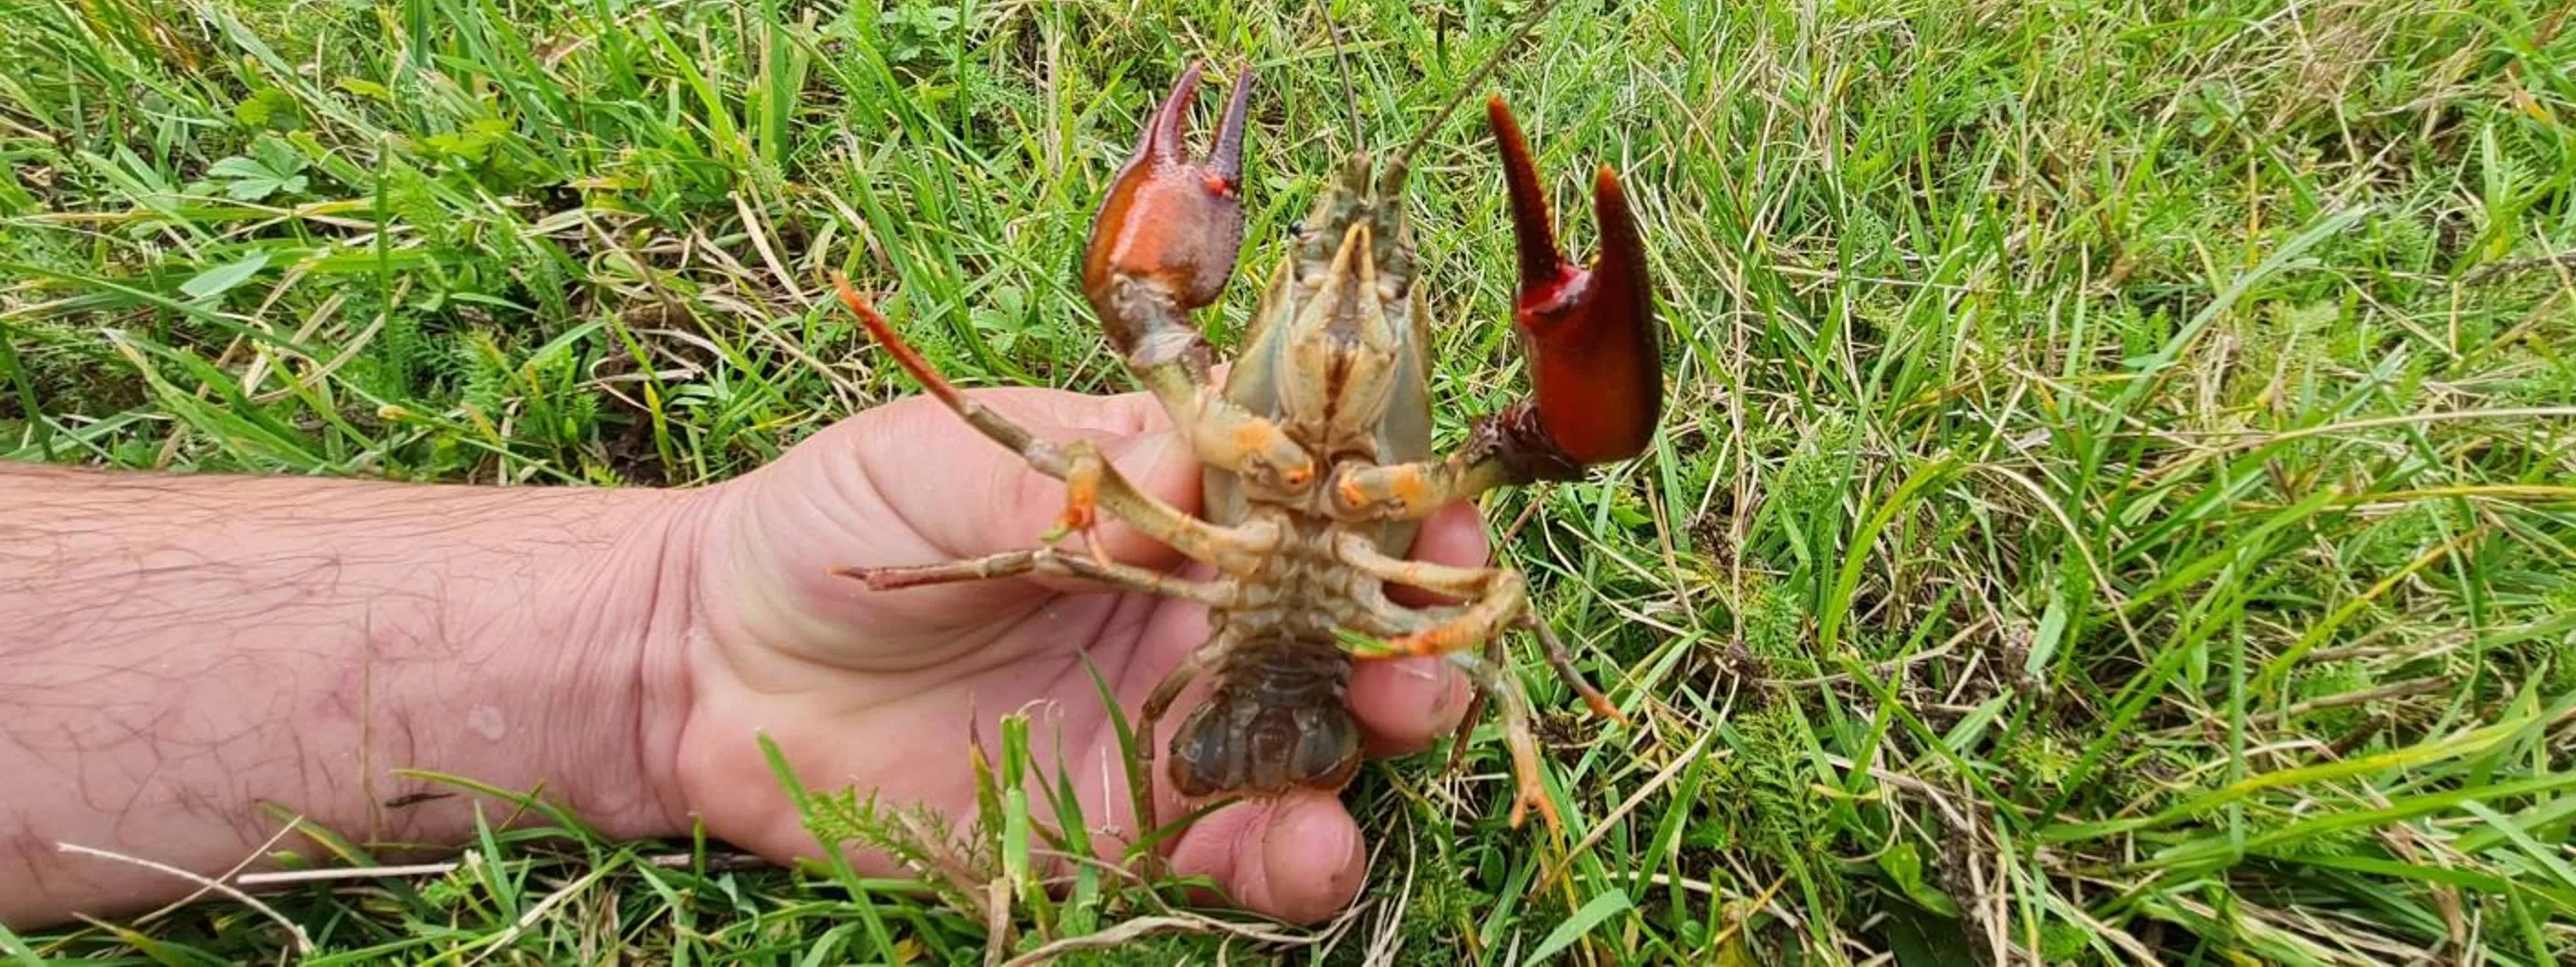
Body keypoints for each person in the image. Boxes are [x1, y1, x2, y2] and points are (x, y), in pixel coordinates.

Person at [0, 385, 1486, 930]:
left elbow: (1468, 589)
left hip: (1246, 684)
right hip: (1219, 687)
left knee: (1435, 650)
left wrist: (689, 630)